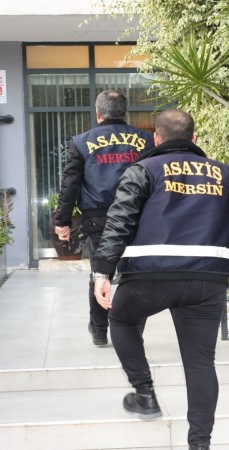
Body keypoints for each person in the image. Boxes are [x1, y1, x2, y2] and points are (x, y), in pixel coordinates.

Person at [91, 110, 229, 450]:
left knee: (121, 319)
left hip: (149, 275)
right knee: (200, 363)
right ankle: (200, 443)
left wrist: (102, 272)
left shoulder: (143, 170)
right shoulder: (226, 174)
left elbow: (119, 222)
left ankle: (144, 393)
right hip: (207, 278)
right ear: (194, 138)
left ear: (156, 137)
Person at [54, 89, 154, 347]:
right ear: (125, 112)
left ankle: (99, 330)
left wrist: (62, 221)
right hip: (139, 216)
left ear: (98, 113)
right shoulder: (147, 139)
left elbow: (70, 183)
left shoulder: (81, 142)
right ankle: (133, 332)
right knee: (136, 275)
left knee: (100, 272)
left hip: (99, 217)